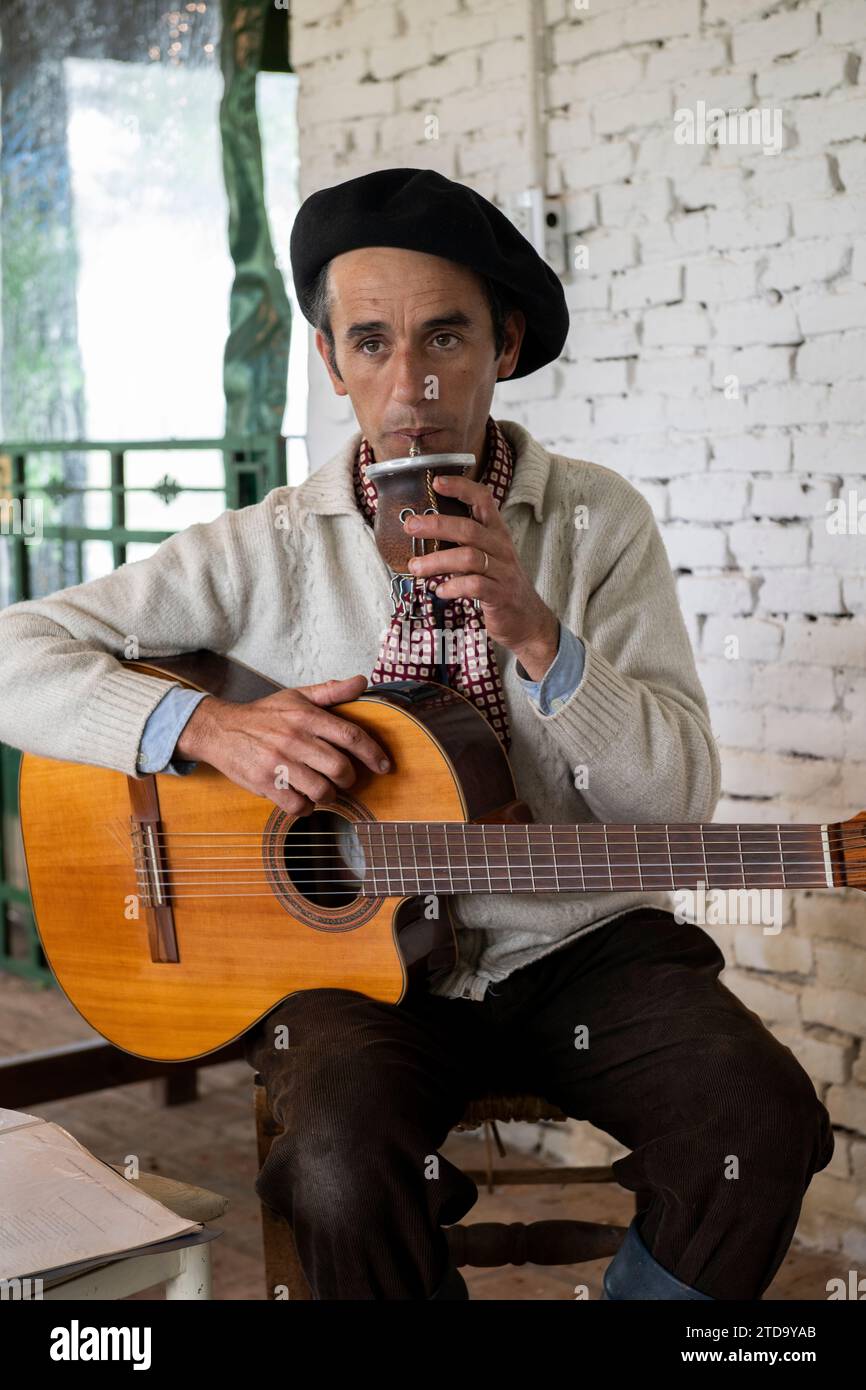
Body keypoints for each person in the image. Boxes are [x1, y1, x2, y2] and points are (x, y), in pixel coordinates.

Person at [0, 168, 834, 1301]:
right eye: (371, 342)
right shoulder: (261, 547)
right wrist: (205, 727)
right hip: (347, 978)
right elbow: (16, 653)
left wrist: (539, 636)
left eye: (446, 335)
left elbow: (673, 801)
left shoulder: (599, 520)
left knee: (761, 1120)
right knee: (341, 1160)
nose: (411, 385)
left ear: (505, 342)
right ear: (330, 357)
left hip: (575, 947)